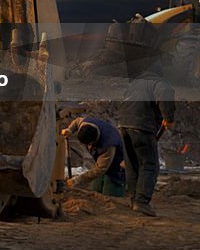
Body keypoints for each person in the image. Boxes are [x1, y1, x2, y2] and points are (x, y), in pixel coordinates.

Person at [118, 64, 176, 217]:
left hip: (123, 125)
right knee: (149, 165)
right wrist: (168, 118)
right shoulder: (160, 83)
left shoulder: (136, 83)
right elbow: (165, 96)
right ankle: (142, 202)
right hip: (142, 126)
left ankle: (134, 199)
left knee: (132, 164)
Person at [61, 116, 125, 197]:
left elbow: (101, 169)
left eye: (88, 144)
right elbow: (77, 121)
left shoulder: (108, 145)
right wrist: (69, 130)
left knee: (110, 194)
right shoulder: (84, 123)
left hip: (117, 164)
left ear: (93, 141)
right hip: (101, 161)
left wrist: (78, 180)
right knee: (95, 189)